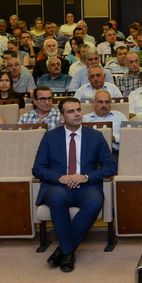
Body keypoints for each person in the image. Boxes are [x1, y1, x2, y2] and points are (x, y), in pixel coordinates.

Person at [32, 98, 118, 273]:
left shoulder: (95, 136)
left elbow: (111, 166)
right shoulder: (50, 137)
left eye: (78, 110)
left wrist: (86, 177)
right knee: (57, 199)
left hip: (87, 186)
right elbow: (38, 168)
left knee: (94, 203)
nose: (77, 114)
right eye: (71, 111)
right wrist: (60, 177)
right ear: (62, 117)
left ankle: (64, 250)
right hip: (58, 186)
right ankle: (68, 253)